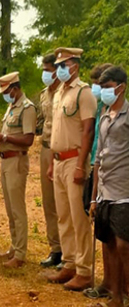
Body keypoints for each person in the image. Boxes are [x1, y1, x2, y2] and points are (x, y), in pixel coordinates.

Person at [44, 47, 97, 290]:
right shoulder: (59, 94)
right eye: (58, 66)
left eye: (64, 65)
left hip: (75, 159)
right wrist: (53, 163)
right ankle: (69, 263)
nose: (60, 70)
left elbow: (88, 131)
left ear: (75, 66)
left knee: (78, 217)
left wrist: (80, 165)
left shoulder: (83, 93)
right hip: (58, 160)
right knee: (64, 215)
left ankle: (85, 270)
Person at [0, 72, 36, 268]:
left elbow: (29, 139)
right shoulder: (11, 108)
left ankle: (21, 254)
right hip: (6, 161)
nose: (5, 94)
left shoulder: (27, 108)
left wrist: (4, 138)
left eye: (7, 91)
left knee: (17, 208)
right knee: (9, 208)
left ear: (15, 88)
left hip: (17, 161)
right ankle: (15, 247)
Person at [89, 66, 129, 307]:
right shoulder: (104, 115)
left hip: (125, 190)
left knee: (125, 244)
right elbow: (97, 159)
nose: (104, 92)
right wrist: (93, 197)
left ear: (120, 87)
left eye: (107, 87)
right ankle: (116, 298)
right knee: (111, 244)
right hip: (105, 190)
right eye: (102, 88)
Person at [83, 63, 113, 299]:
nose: (98, 89)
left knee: (116, 237)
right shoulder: (102, 108)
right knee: (102, 229)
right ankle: (108, 281)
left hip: (114, 177)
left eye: (102, 85)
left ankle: (118, 285)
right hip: (97, 168)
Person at [36, 54, 63, 268]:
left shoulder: (65, 93)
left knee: (64, 203)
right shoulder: (44, 95)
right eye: (44, 69)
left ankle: (68, 251)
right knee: (48, 203)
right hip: (45, 149)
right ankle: (56, 248)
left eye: (48, 69)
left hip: (62, 151)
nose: (45, 73)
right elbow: (41, 122)